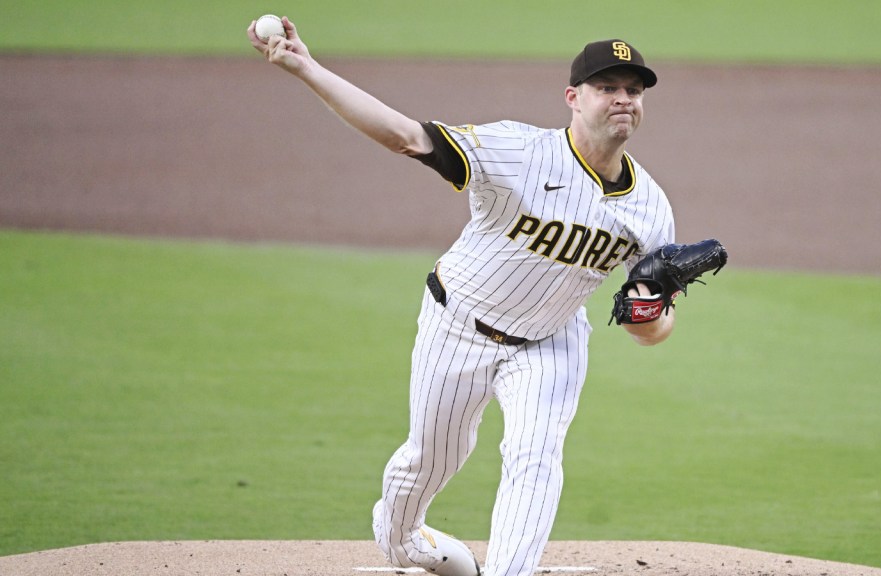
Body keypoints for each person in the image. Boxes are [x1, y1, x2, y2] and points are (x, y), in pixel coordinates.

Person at [248, 18, 677, 576]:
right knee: (430, 460)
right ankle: (403, 538)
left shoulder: (652, 208)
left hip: (551, 341)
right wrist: (305, 66)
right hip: (459, 325)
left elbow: (651, 329)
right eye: (608, 88)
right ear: (573, 98)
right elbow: (406, 137)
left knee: (535, 456)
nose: (624, 99)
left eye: (634, 90)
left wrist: (649, 313)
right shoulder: (517, 150)